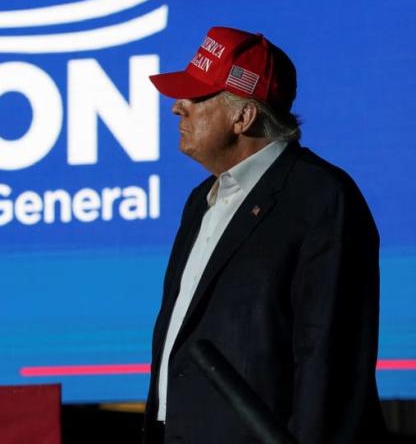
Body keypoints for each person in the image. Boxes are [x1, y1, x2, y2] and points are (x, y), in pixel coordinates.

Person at [144, 27, 384, 442]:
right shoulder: (202, 198)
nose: (177, 107)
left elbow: (329, 354)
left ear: (244, 115)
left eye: (197, 97)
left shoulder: (321, 197)